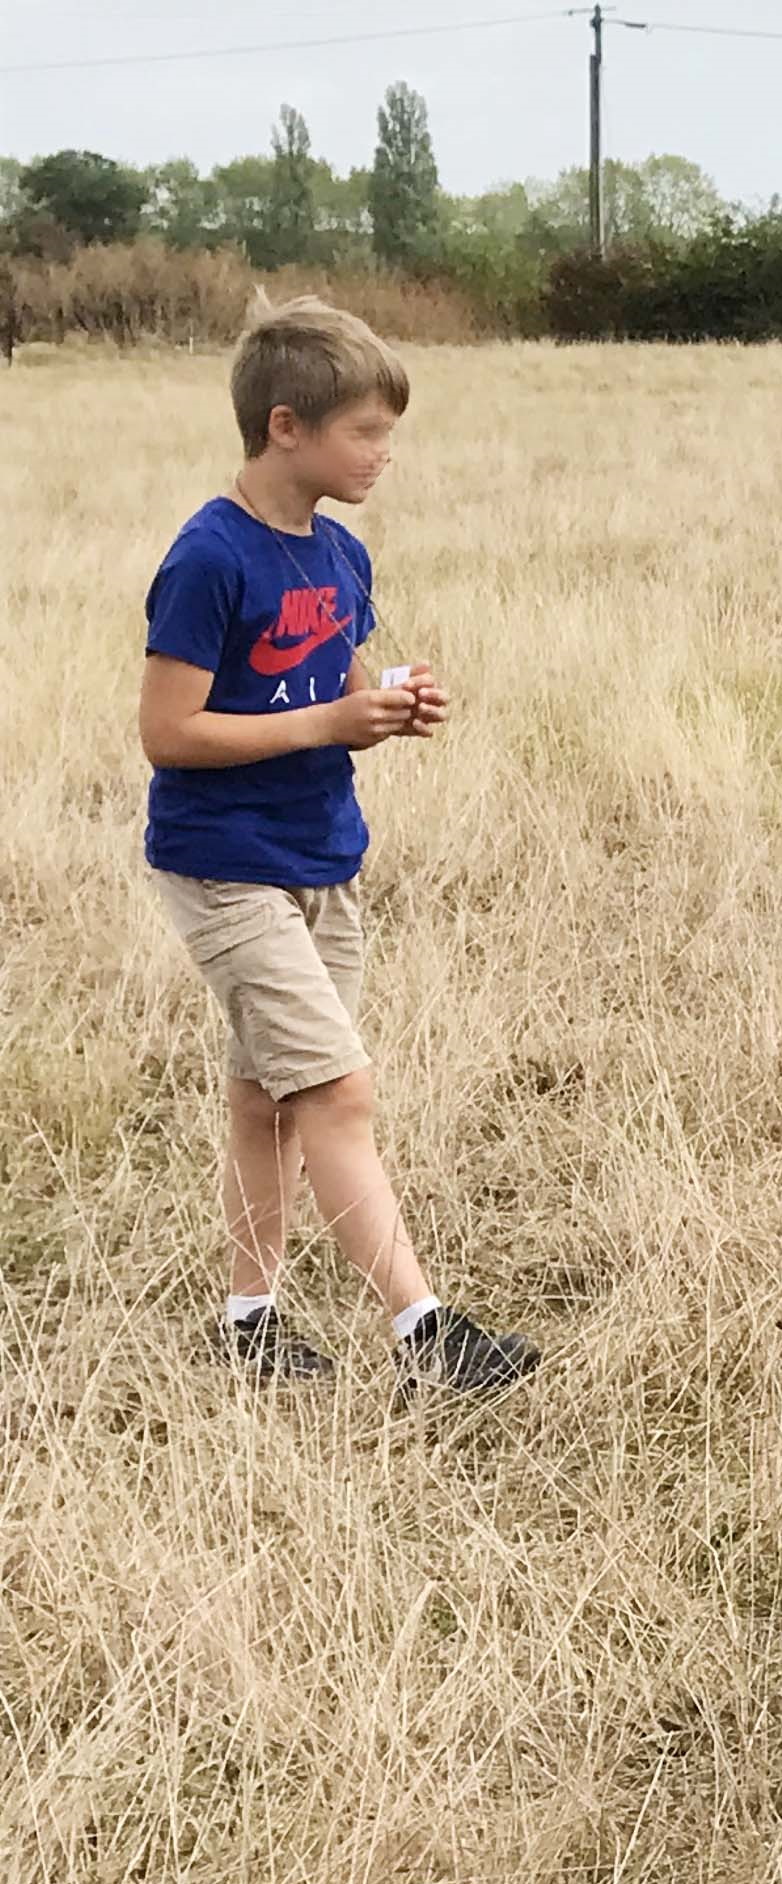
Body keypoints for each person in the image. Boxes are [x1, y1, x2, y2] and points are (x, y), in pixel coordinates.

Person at [139, 294, 536, 1395]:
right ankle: (427, 1336)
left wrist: (392, 707)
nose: (383, 455)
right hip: (224, 864)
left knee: (270, 1094)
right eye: (366, 432)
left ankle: (247, 1320)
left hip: (324, 856)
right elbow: (167, 732)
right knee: (338, 1089)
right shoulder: (208, 560)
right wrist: (324, 723)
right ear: (286, 428)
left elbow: (342, 687)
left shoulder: (341, 556)